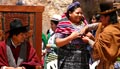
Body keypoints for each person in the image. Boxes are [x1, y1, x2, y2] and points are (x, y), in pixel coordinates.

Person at [80, 1, 120, 69]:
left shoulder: (109, 31)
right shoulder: (113, 26)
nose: (100, 19)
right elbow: (98, 25)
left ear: (107, 17)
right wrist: (87, 27)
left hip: (109, 65)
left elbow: (99, 48)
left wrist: (88, 40)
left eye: (101, 17)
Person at [55, 1, 92, 69]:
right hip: (68, 61)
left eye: (81, 13)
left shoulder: (84, 24)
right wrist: (71, 37)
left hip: (83, 60)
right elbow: (58, 43)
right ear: (70, 13)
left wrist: (89, 37)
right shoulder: (63, 24)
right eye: (77, 13)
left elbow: (91, 38)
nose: (80, 15)